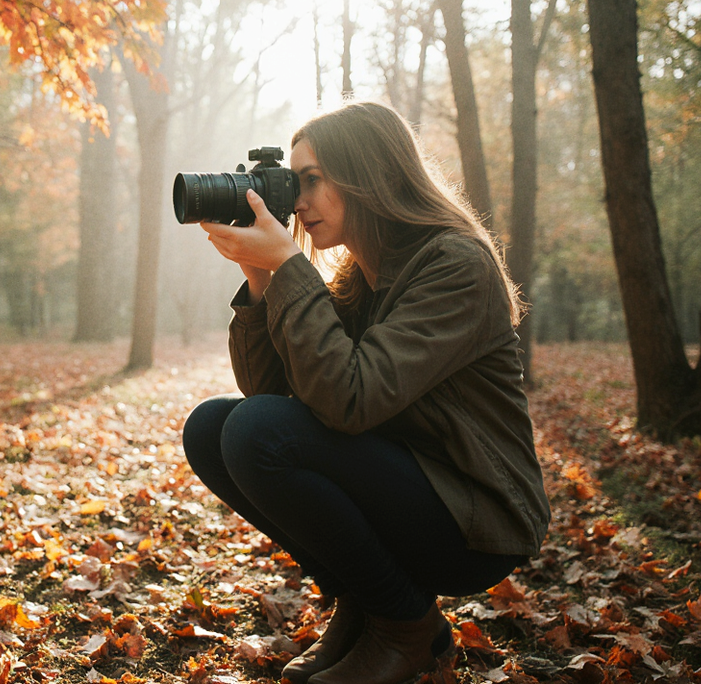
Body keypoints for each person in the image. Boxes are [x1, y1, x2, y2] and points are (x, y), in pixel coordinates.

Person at [182, 101, 550, 684]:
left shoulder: (456, 264)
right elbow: (270, 395)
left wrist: (291, 270)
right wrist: (262, 280)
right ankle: (368, 604)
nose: (297, 202)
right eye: (292, 183)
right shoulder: (360, 277)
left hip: (473, 519)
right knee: (212, 428)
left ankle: (407, 630)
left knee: (256, 433)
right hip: (410, 483)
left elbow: (347, 400)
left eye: (312, 180)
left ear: (368, 174)